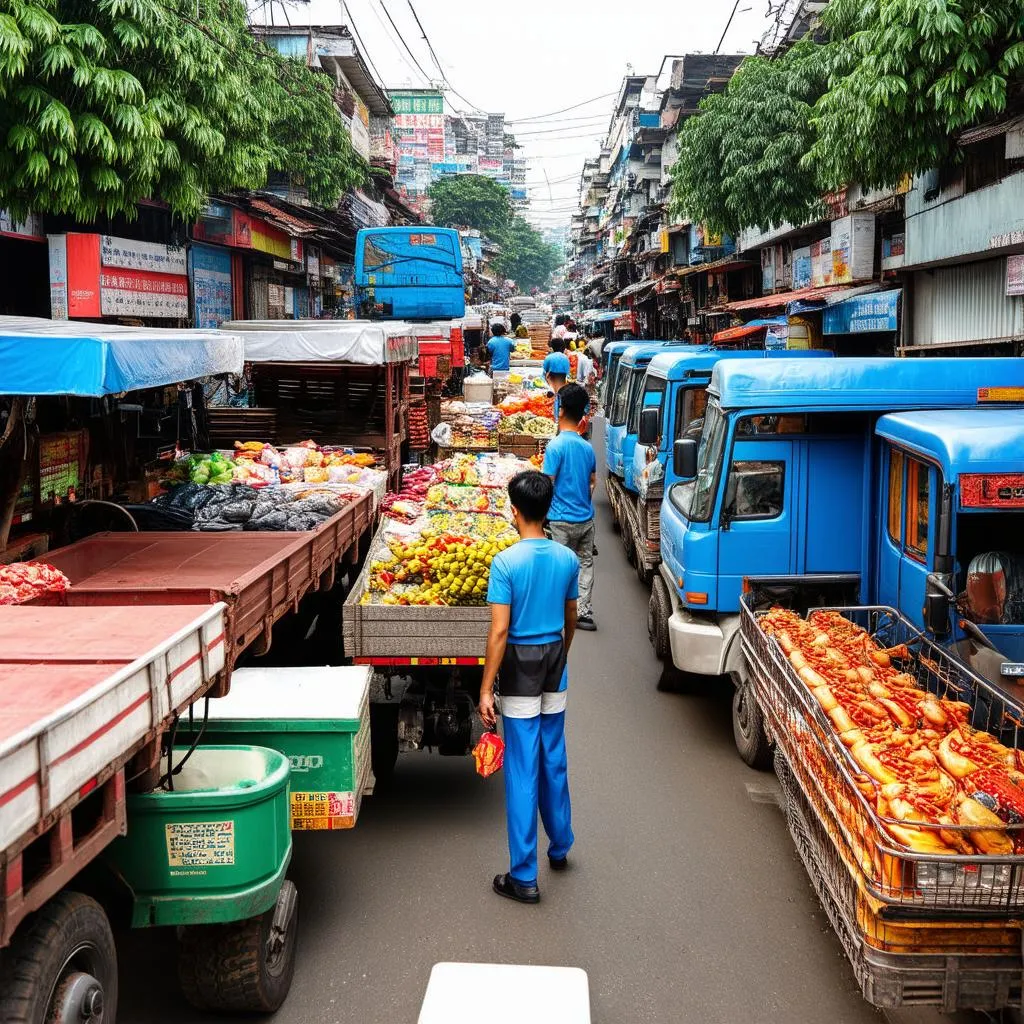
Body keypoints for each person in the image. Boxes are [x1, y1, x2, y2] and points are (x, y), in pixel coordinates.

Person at [479, 471, 578, 904]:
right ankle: (560, 846)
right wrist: (562, 650)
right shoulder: (566, 559)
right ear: (549, 509)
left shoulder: (505, 563)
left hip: (520, 664)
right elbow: (571, 615)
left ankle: (524, 876)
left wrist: (486, 689)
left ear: (514, 511)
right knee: (553, 756)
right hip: (555, 656)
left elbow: (499, 633)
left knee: (523, 766)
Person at [543, 384, 597, 632]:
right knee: (584, 565)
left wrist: (542, 516)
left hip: (560, 519)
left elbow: (547, 484)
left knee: (559, 566)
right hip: (585, 519)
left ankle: (554, 612)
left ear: (561, 410)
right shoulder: (587, 448)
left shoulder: (555, 447)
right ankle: (583, 612)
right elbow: (592, 482)